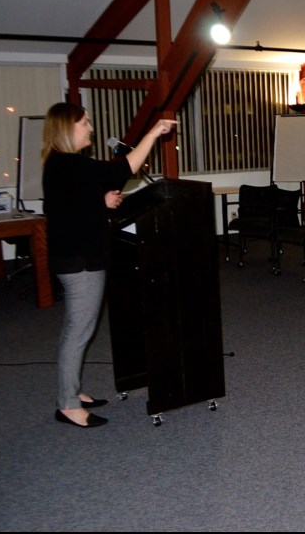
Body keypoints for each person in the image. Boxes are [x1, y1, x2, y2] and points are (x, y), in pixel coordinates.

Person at [42, 102, 177, 428]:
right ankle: (68, 404)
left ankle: (70, 391)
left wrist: (99, 203)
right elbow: (123, 169)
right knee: (79, 331)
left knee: (78, 329)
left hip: (75, 256)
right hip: (81, 261)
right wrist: (153, 133)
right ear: (67, 128)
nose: (90, 128)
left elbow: (70, 207)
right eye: (85, 123)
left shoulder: (61, 165)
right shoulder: (70, 163)